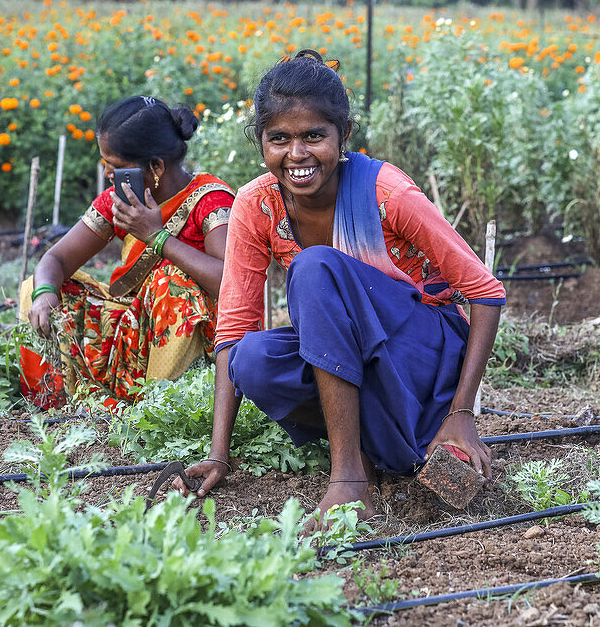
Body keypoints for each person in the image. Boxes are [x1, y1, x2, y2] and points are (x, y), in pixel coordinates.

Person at [173, 51, 504, 518]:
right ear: (261, 143)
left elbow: (485, 292)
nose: (297, 154)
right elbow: (233, 332)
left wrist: (463, 414)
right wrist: (218, 454)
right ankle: (367, 446)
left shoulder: (385, 191)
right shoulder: (257, 204)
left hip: (419, 356)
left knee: (312, 268)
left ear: (343, 135)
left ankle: (351, 477)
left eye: (314, 136)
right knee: (253, 361)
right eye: (279, 139)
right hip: (351, 360)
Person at [20, 96, 234, 409]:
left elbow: (227, 284)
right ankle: (60, 403)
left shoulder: (210, 201)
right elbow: (56, 259)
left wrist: (156, 236)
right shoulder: (120, 202)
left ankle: (158, 408)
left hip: (197, 343)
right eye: (105, 163)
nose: (107, 172)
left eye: (116, 166)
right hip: (134, 330)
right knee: (38, 286)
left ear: (156, 166)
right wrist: (44, 295)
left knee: (172, 283)